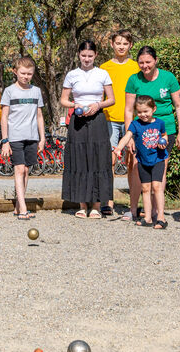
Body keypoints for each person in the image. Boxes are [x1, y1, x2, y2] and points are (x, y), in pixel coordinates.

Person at [118, 46, 180, 224]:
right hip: (140, 131)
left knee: (160, 170)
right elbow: (128, 110)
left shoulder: (168, 77)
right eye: (141, 62)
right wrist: (130, 136)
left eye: (148, 62)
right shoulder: (134, 80)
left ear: (155, 60)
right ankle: (133, 209)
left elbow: (179, 106)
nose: (145, 66)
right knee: (135, 167)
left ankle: (156, 211)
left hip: (164, 130)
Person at [60, 40, 115, 218]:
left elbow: (111, 99)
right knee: (79, 159)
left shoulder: (103, 74)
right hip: (78, 119)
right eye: (83, 55)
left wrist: (98, 105)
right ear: (79, 55)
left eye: (90, 56)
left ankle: (97, 206)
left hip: (97, 118)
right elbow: (63, 100)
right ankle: (82, 205)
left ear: (96, 55)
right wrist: (75, 105)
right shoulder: (72, 75)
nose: (86, 59)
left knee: (98, 158)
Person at [0, 56, 47, 221]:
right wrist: (5, 141)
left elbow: (39, 115)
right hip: (15, 136)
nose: (26, 77)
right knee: (19, 169)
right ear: (15, 72)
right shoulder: (9, 91)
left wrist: (42, 138)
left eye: (29, 73)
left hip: (32, 136)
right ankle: (23, 209)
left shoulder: (35, 91)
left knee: (27, 170)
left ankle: (19, 206)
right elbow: (4, 116)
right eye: (23, 73)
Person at [100, 29, 140, 217]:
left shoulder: (136, 67)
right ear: (112, 45)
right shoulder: (104, 67)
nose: (121, 46)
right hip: (110, 119)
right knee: (110, 161)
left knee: (132, 161)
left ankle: (134, 204)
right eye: (118, 43)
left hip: (132, 120)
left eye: (125, 43)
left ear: (130, 45)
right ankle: (107, 202)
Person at [116, 96, 169, 228]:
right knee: (145, 188)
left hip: (158, 159)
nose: (143, 115)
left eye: (146, 111)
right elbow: (127, 136)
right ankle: (148, 218)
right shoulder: (135, 124)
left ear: (153, 109)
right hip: (143, 161)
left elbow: (164, 136)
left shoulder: (160, 123)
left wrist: (165, 142)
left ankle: (161, 217)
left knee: (157, 186)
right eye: (139, 112)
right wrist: (118, 148)